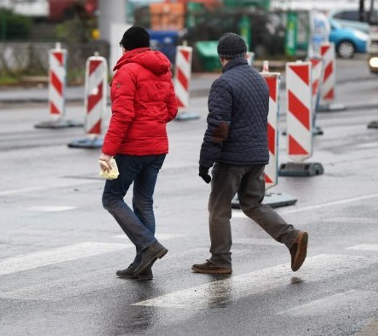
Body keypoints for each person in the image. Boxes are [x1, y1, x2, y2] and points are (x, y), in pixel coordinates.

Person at [193, 32, 308, 275]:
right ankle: (292, 237)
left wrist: (205, 162)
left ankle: (220, 260)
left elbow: (218, 126)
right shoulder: (258, 80)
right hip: (257, 155)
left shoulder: (223, 83)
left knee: (218, 209)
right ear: (245, 55)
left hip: (232, 158)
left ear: (221, 58)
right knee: (253, 204)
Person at [100, 25, 178, 280]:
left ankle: (149, 245)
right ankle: (143, 265)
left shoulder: (127, 71)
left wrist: (107, 152)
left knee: (111, 198)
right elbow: (171, 109)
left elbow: (122, 115)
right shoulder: (162, 69)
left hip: (131, 148)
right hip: (157, 147)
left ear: (125, 47)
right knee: (143, 202)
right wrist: (153, 123)